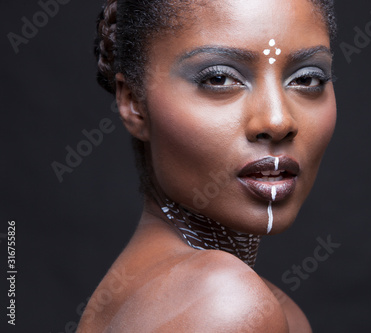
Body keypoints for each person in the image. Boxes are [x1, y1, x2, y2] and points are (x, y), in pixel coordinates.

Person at [77, 0, 337, 331]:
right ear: (134, 103)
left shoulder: (163, 293)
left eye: (307, 79)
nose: (277, 120)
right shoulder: (224, 304)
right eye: (218, 78)